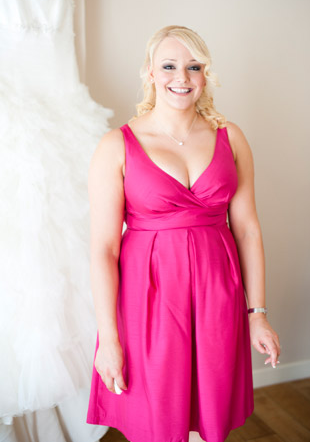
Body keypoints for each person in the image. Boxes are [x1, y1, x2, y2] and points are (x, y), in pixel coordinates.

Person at [86, 25, 280, 442]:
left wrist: (258, 314)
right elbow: (103, 248)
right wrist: (108, 338)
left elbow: (247, 229)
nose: (183, 78)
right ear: (150, 73)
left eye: (194, 67)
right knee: (156, 417)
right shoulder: (116, 145)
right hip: (149, 299)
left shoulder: (231, 137)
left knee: (210, 412)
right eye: (170, 66)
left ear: (206, 74)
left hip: (217, 293)